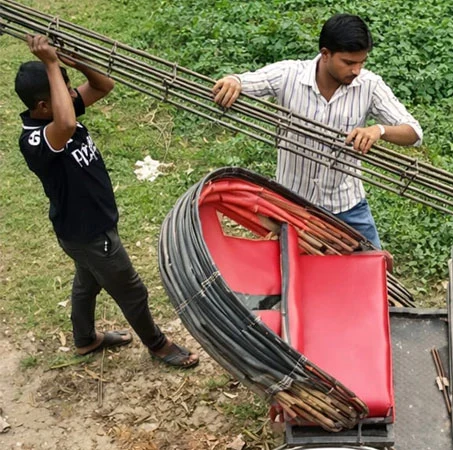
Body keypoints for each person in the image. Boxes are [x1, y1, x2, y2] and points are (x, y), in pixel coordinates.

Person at [15, 34, 199, 368]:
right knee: (132, 291)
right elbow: (68, 123)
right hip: (89, 232)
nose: (72, 96)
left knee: (87, 281)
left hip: (82, 229)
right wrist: (51, 64)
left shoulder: (58, 110)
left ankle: (85, 340)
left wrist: (74, 62)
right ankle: (158, 345)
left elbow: (103, 86)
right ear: (44, 106)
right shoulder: (37, 138)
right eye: (64, 91)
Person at [212, 14, 423, 249]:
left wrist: (379, 130)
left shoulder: (369, 85)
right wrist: (233, 81)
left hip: (347, 207)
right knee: (292, 277)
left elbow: (413, 132)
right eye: (348, 63)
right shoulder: (289, 76)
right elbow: (246, 81)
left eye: (361, 62)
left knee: (372, 271)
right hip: (292, 205)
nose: (356, 70)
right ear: (325, 54)